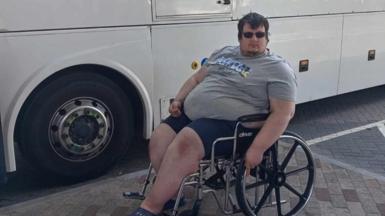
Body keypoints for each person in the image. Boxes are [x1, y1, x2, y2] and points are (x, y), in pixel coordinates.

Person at [129, 12, 297, 216]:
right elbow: (195, 80)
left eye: (260, 35)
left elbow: (283, 113)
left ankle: (150, 208)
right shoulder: (224, 53)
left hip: (232, 125)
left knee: (185, 142)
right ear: (239, 37)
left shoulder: (278, 69)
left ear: (267, 38)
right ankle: (171, 196)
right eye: (249, 34)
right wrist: (179, 100)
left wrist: (257, 149)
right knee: (159, 138)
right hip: (194, 115)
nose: (254, 39)